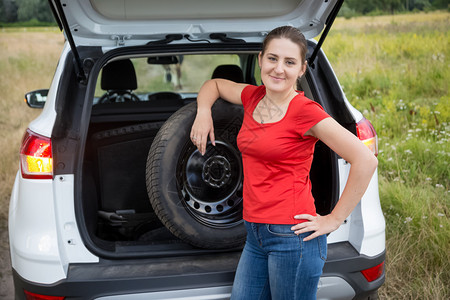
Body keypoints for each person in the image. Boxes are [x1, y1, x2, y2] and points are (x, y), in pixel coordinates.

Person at [190, 26, 378, 300]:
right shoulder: (252, 97)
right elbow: (215, 85)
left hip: (293, 238)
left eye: (289, 62)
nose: (279, 69)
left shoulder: (306, 112)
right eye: (273, 58)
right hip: (255, 233)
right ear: (260, 60)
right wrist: (203, 111)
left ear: (301, 69)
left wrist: (334, 220)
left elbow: (365, 160)